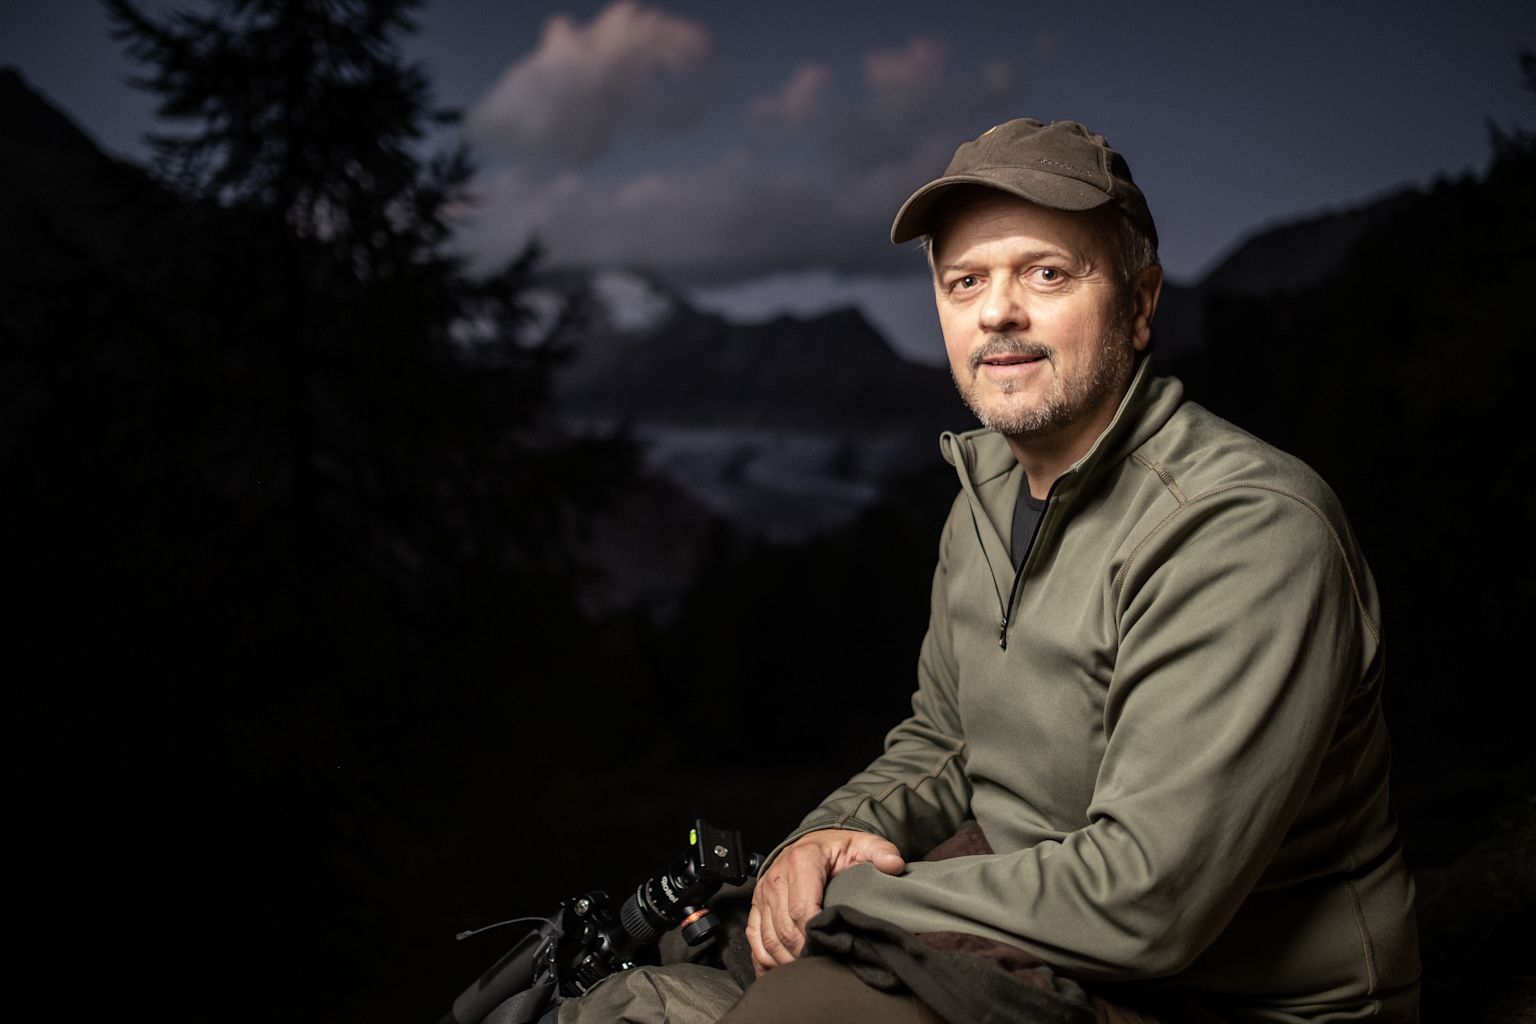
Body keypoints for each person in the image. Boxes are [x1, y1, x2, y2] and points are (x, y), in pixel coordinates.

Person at [562, 118, 1420, 1024]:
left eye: (1046, 274)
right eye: (965, 281)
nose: (996, 311)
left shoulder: (1240, 530)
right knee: (635, 995)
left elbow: (1146, 903)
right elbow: (946, 740)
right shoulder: (985, 499)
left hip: (1228, 1000)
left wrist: (850, 901)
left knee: (801, 1003)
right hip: (1037, 939)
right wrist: (820, 841)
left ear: (1140, 304)